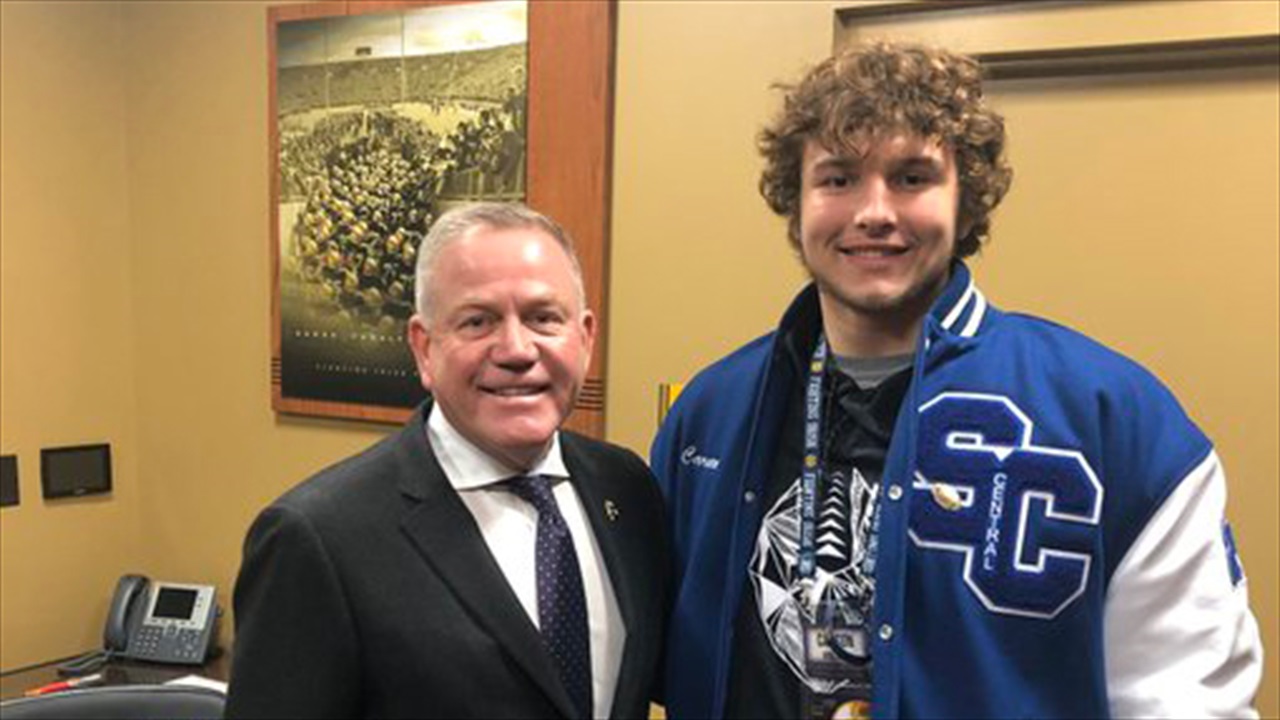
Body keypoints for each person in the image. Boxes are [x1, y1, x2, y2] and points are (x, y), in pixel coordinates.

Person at [651, 42, 1263, 720]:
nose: (873, 211)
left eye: (911, 177)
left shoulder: (1114, 419)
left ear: (966, 200)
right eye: (838, 178)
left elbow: (1189, 697)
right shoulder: (709, 415)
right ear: (795, 205)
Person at [227, 203, 668, 719]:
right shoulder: (318, 538)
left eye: (543, 318)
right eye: (478, 321)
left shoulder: (627, 489)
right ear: (423, 348)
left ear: (586, 338)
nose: (516, 350)